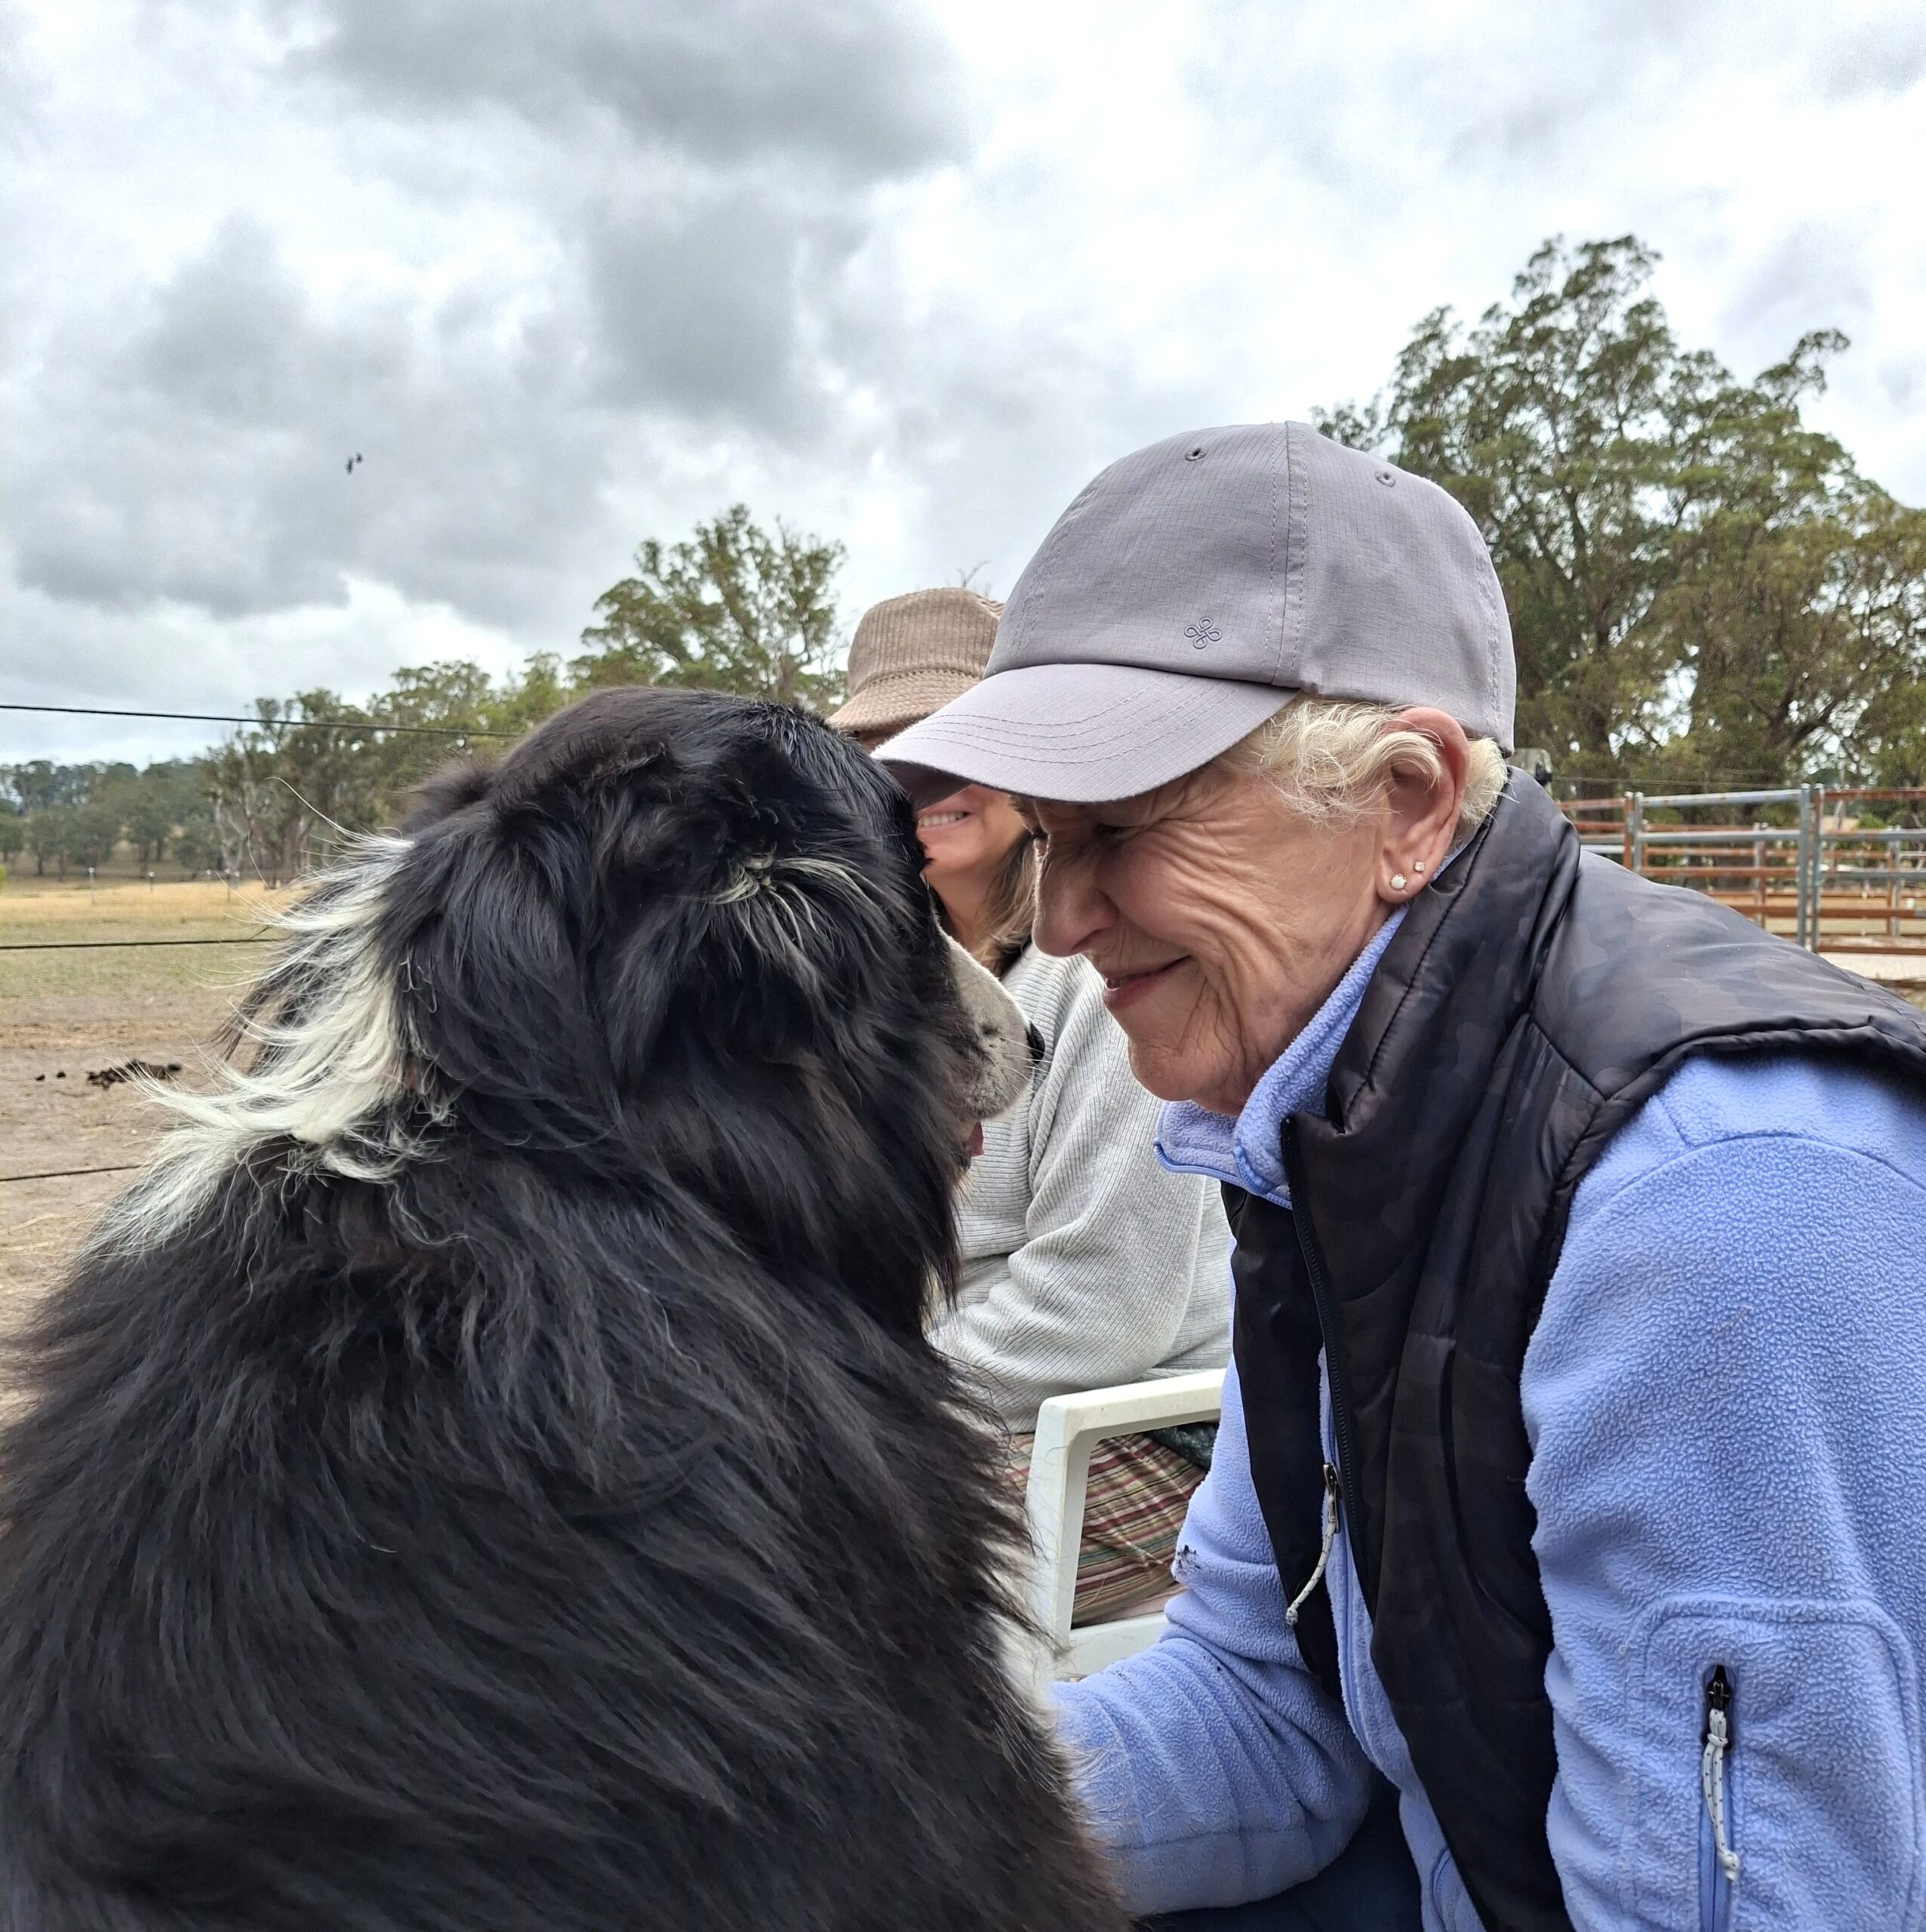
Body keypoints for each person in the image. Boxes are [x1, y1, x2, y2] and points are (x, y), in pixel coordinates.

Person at [876, 424, 1926, 1930]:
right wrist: (835, 1828)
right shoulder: (1310, 1121)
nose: (1071, 912)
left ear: (1412, 802)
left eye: (1132, 822)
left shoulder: (1708, 1202)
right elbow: (1265, 1708)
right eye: (1049, 841)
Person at [831, 586, 1231, 1624]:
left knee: (809, 1592)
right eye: (885, 747)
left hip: (1135, 1429)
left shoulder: (1108, 970)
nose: (922, 773)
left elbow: (1104, 1306)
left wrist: (853, 1401)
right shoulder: (874, 977)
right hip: (950, 1408)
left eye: (952, 737)